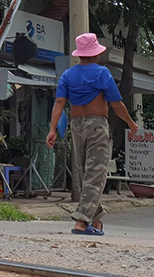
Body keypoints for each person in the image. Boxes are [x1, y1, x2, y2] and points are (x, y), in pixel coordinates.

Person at [45, 33, 138, 236]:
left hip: (76, 126)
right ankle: (81, 221)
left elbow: (59, 103)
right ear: (96, 54)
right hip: (97, 126)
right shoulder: (102, 73)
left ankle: (96, 220)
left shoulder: (68, 75)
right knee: (95, 174)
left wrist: (52, 129)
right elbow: (116, 104)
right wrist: (130, 123)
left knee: (87, 174)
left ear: (80, 55)